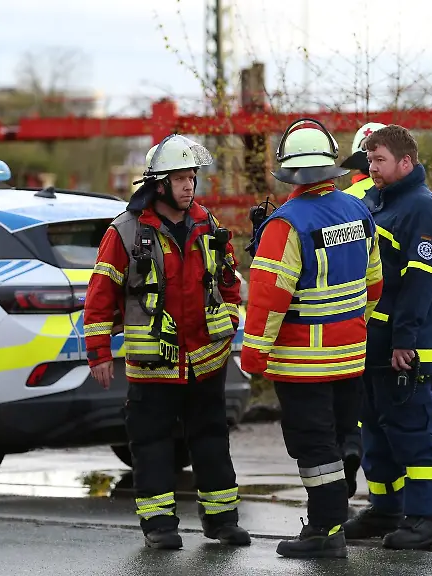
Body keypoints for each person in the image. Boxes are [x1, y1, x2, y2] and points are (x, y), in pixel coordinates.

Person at [83, 134, 250, 550]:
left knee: (212, 440)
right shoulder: (123, 232)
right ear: (158, 183)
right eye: (180, 178)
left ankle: (222, 520)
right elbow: (101, 295)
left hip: (206, 359)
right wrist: (99, 352)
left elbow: (229, 281)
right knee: (152, 445)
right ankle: (159, 526)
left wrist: (229, 320)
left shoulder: (206, 223)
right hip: (153, 363)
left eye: (192, 177)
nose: (189, 186)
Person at [241, 118, 383, 559]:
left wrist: (254, 354)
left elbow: (268, 297)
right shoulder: (358, 212)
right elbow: (374, 284)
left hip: (302, 363)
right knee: (339, 436)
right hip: (350, 354)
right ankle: (335, 505)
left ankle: (324, 530)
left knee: (314, 445)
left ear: (289, 171)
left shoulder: (285, 224)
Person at [338, 121, 432, 498]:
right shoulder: (381, 201)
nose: (371, 167)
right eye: (370, 160)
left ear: (406, 163)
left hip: (406, 347)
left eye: (379, 160)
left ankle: (425, 518)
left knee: (413, 430)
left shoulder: (420, 208)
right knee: (376, 427)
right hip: (378, 342)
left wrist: (403, 340)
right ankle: (385, 508)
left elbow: (420, 285)